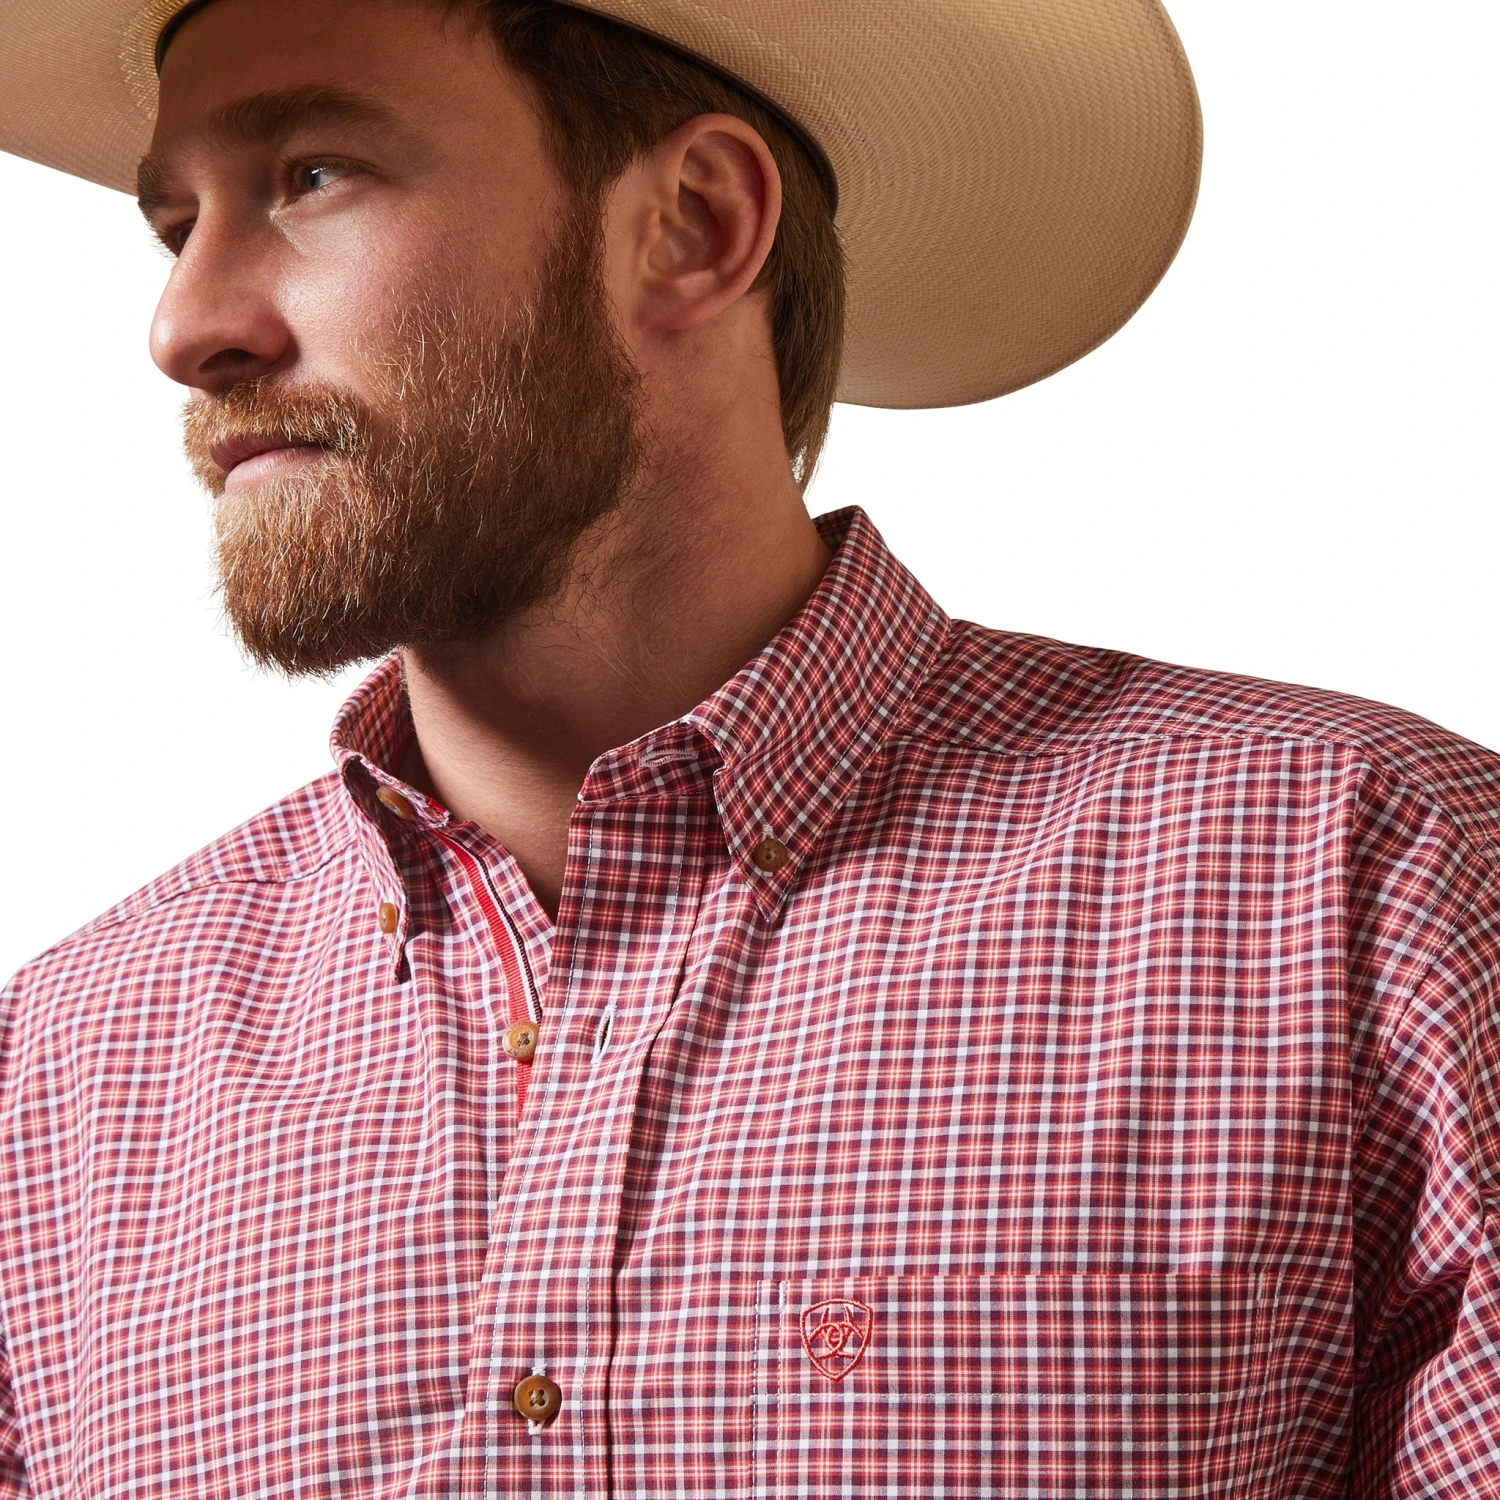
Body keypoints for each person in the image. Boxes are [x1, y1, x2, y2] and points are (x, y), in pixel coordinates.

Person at [0, 0, 1495, 1495]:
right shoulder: (64, 1073)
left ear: (696, 226)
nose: (185, 328)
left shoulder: (1357, 882)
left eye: (313, 176)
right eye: (176, 225)